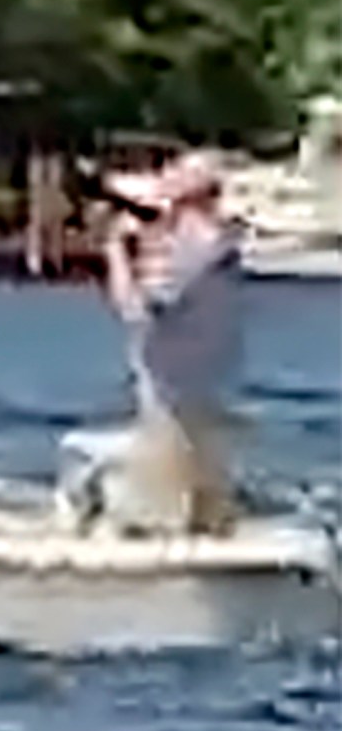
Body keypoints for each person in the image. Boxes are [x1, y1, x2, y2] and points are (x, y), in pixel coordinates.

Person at [102, 150, 246, 536]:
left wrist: (115, 251)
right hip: (202, 388)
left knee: (158, 510)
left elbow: (137, 310)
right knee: (205, 501)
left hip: (175, 400)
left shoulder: (190, 246)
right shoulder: (216, 242)